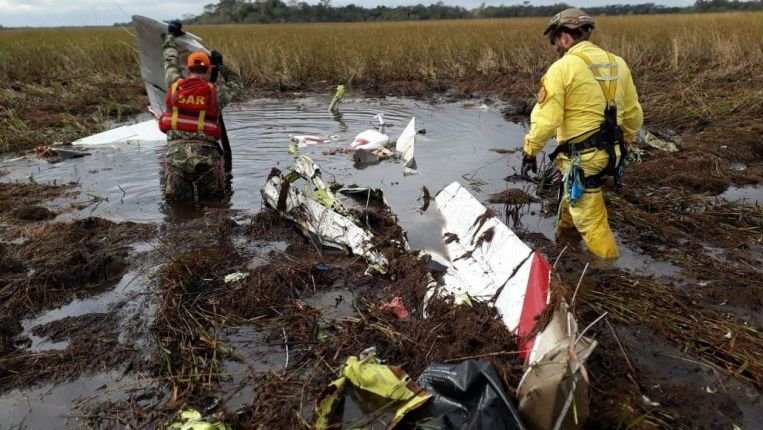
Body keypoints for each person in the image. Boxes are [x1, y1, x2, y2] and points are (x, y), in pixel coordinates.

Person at [521, 8, 643, 259]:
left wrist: (530, 152)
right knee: (573, 199)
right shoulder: (617, 63)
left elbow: (547, 120)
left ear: (565, 36)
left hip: (583, 158)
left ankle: (609, 269)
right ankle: (566, 244)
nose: (555, 46)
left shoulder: (562, 68)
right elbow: (633, 115)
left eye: (555, 40)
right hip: (613, 154)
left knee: (592, 222)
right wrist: (624, 143)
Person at [160, 20, 242, 201]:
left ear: (189, 69)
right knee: (215, 208)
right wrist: (221, 65)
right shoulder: (215, 93)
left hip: (176, 156)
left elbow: (169, 61)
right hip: (207, 158)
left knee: (178, 209)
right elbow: (237, 83)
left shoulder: (174, 85)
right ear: (208, 69)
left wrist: (170, 37)